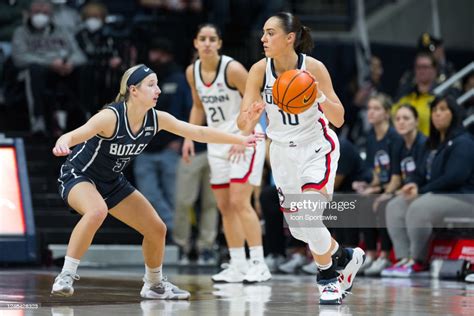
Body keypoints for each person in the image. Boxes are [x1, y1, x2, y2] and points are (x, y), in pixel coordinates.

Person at [50, 64, 262, 299]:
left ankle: (153, 284)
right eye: (151, 85)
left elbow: (198, 132)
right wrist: (64, 141)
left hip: (112, 182)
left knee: (157, 229)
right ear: (134, 90)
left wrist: (240, 139)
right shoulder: (111, 116)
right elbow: (76, 133)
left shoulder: (156, 119)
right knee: (97, 210)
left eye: (158, 84)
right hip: (79, 175)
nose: (158, 90)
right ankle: (66, 276)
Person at [237, 12, 365, 305]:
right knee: (299, 228)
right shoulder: (259, 70)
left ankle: (328, 278)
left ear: (289, 38)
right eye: (263, 33)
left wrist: (318, 96)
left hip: (316, 148)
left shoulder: (314, 68)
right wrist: (250, 118)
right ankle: (345, 256)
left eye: (270, 33)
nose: (263, 39)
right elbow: (243, 126)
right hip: (281, 152)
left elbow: (340, 118)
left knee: (309, 217)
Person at [182, 23, 270, 283]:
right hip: (217, 142)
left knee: (240, 202)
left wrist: (243, 135)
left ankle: (259, 263)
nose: (207, 43)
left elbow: (257, 103)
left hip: (246, 137)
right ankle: (238, 264)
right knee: (224, 206)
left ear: (219, 43)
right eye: (202, 39)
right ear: (196, 43)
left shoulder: (232, 69)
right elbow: (198, 107)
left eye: (212, 39)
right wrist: (189, 136)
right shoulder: (192, 72)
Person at [384, 95, 474, 277]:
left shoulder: (464, 142)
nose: (437, 114)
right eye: (434, 110)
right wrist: (412, 184)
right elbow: (418, 172)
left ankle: (419, 261)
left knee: (419, 208)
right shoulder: (431, 143)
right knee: (395, 205)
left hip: (461, 196)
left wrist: (422, 191)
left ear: (454, 114)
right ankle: (403, 258)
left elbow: (454, 177)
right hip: (435, 195)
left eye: (442, 110)